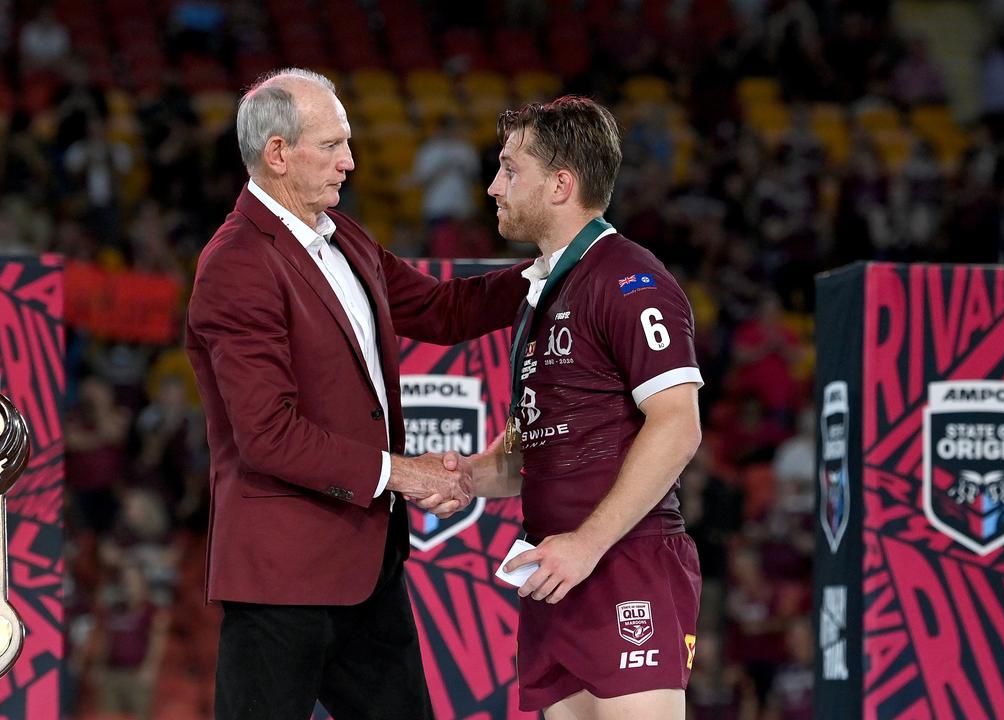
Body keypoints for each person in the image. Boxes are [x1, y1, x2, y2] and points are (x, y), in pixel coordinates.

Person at [185, 68, 529, 720]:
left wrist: (553, 273)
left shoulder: (343, 237)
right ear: (278, 153)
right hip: (281, 581)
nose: (349, 161)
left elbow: (445, 309)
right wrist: (403, 472)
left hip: (369, 568)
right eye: (332, 145)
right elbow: (268, 435)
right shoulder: (236, 264)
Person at [435, 96, 704, 718]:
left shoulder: (629, 277)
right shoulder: (540, 287)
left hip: (621, 563)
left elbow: (678, 424)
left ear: (561, 185)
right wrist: (470, 475)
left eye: (509, 169)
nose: (492, 185)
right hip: (557, 571)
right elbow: (541, 440)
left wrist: (585, 545)